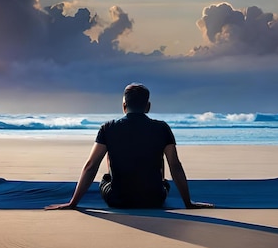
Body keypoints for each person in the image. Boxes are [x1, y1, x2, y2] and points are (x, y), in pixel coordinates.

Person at [45, 83, 213, 210]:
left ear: (124, 106)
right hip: (154, 199)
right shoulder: (162, 128)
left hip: (118, 200)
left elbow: (90, 166)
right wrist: (188, 203)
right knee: (163, 176)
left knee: (106, 176)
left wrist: (72, 203)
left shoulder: (108, 127)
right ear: (148, 107)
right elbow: (175, 166)